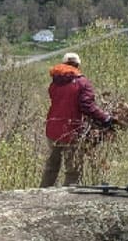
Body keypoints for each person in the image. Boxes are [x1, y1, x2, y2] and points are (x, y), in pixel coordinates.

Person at [41, 52, 112, 188]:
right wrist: (106, 118)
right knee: (73, 170)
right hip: (71, 130)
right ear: (78, 65)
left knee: (51, 166)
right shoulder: (82, 83)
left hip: (52, 129)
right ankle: (68, 198)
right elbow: (87, 106)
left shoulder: (54, 82)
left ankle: (42, 194)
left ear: (63, 64)